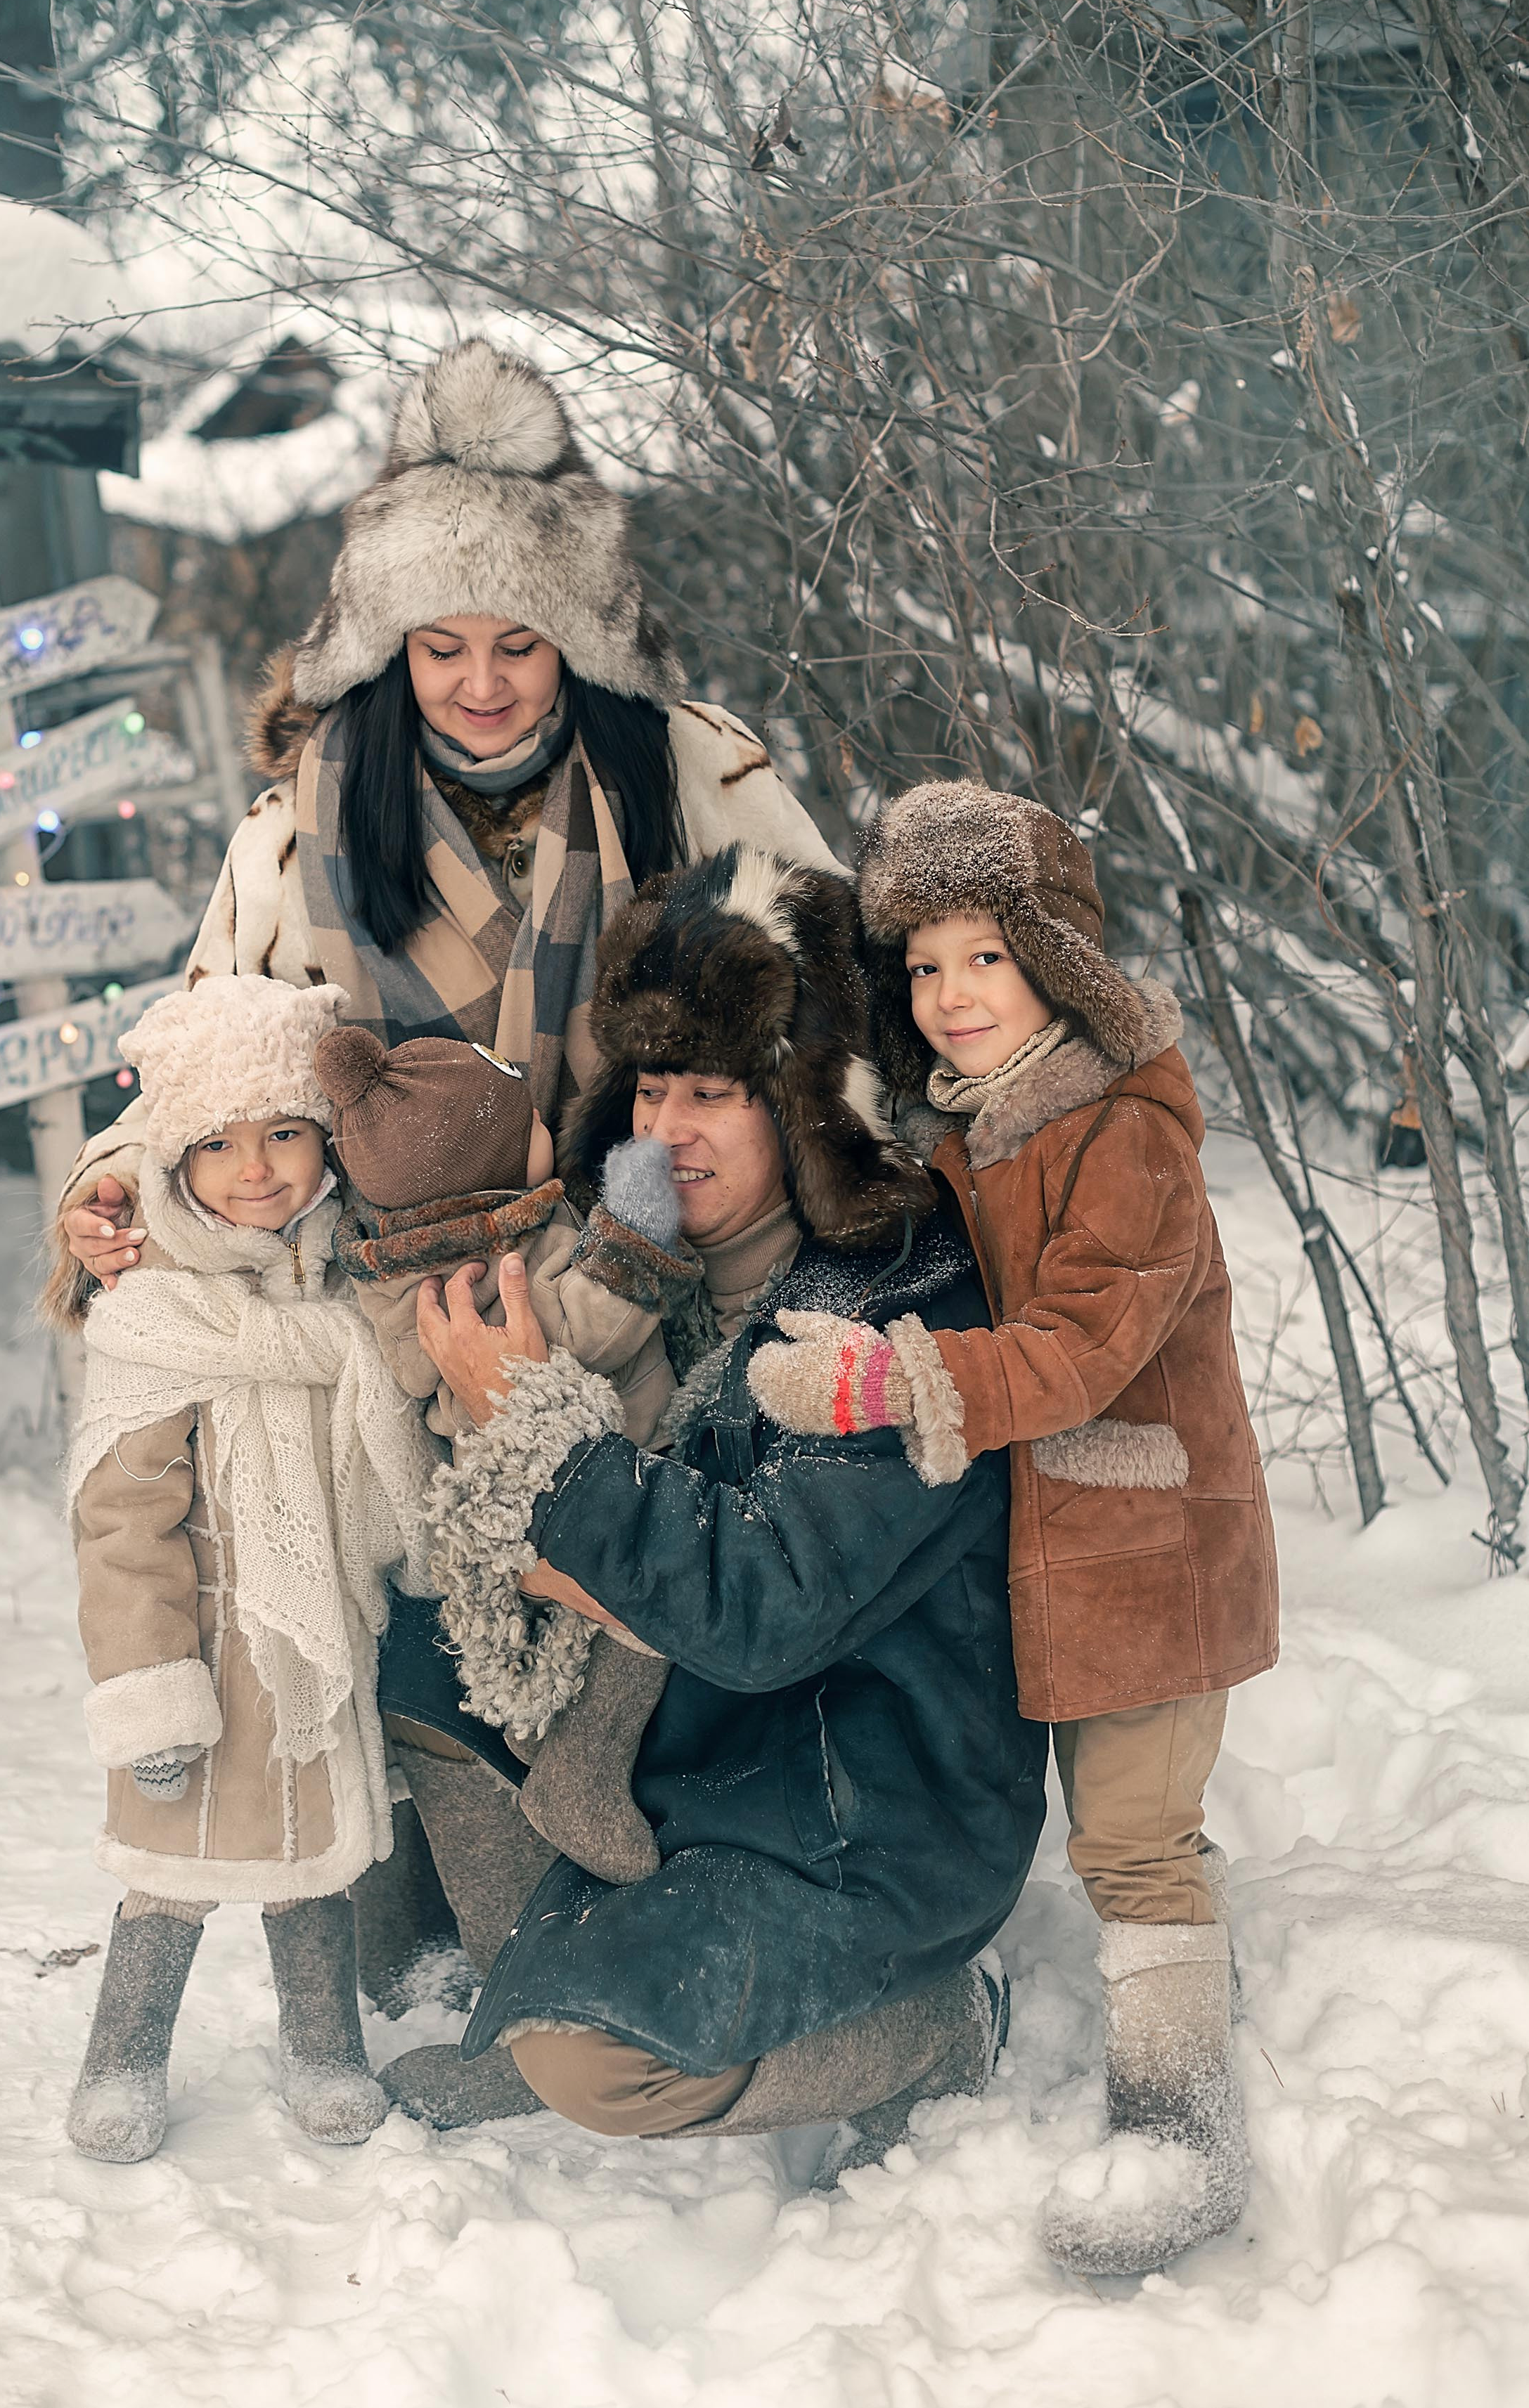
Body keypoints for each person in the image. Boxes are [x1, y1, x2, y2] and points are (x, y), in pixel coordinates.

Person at [377, 846, 1049, 2180]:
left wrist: (544, 1438)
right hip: (706, 1737)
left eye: (717, 1094)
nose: (668, 1131)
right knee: (418, 1649)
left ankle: (928, 2034)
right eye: (652, 1089)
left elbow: (763, 1602)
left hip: (855, 1792)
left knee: (600, 2066)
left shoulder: (893, 1308)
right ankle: (533, 1988)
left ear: (806, 1105)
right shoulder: (639, 1273)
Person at [746, 781, 1280, 2272]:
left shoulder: (1123, 1134)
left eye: (982, 956)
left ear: (1057, 959)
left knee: (1132, 1840)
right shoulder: (979, 1136)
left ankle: (1181, 2130)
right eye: (920, 964)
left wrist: (874, 1381)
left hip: (1145, 1552)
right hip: (1036, 1553)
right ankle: (925, 2036)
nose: (948, 994)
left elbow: (1077, 1351)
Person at [49, 336, 837, 1321]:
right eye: (441, 648)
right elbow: (217, 1054)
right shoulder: (299, 825)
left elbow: (839, 992)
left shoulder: (689, 765)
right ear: (390, 649)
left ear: (576, 641)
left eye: (519, 645)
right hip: (409, 1302)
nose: (482, 684)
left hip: (671, 1277)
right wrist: (117, 1172)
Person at [62, 974, 432, 2165]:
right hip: (205, 1653)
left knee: (308, 1868)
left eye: (282, 1133)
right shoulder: (154, 1315)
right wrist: (150, 1689)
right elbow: (121, 1528)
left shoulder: (346, 1290)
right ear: (173, 1163)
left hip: (314, 1644)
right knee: (167, 1877)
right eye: (217, 1144)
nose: (256, 1167)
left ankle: (323, 2048)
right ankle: (121, 2057)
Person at [315, 1021, 702, 1883]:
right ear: (486, 1164)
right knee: (655, 1601)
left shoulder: (389, 1269)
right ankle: (582, 1771)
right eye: (529, 1126)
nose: (548, 1134)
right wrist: (637, 1228)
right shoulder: (515, 1250)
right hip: (607, 1462)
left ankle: (542, 1736)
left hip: (490, 1496)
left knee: (559, 1627)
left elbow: (418, 1365)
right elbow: (579, 1333)